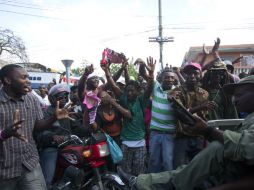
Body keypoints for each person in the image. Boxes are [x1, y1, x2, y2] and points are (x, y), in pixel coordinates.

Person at [119, 75, 254, 190]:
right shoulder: (250, 117)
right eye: (234, 96)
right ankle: (144, 183)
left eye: (239, 95)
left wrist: (208, 130)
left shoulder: (204, 93)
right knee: (183, 167)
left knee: (185, 164)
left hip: (202, 146)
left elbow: (245, 147)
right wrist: (206, 130)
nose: (234, 100)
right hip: (181, 136)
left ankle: (144, 183)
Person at [0, 64, 73, 190]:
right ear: (8, 80)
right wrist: (4, 134)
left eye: (28, 77)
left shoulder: (31, 99)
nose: (28, 81)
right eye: (23, 77)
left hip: (29, 163)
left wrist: (53, 118)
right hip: (4, 169)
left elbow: (38, 126)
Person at [102, 57, 155, 176]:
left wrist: (151, 74)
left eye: (132, 91)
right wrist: (107, 72)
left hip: (140, 144)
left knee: (139, 173)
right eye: (128, 91)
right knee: (125, 173)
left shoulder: (142, 100)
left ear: (138, 91)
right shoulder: (124, 99)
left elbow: (150, 88)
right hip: (125, 143)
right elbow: (114, 86)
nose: (129, 93)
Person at [172, 62, 215, 168]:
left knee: (198, 168)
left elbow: (205, 116)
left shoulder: (204, 93)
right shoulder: (176, 92)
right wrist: (200, 107)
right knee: (179, 168)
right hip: (182, 136)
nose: (192, 76)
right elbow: (180, 113)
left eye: (195, 73)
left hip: (199, 136)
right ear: (184, 75)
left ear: (200, 75)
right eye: (188, 73)